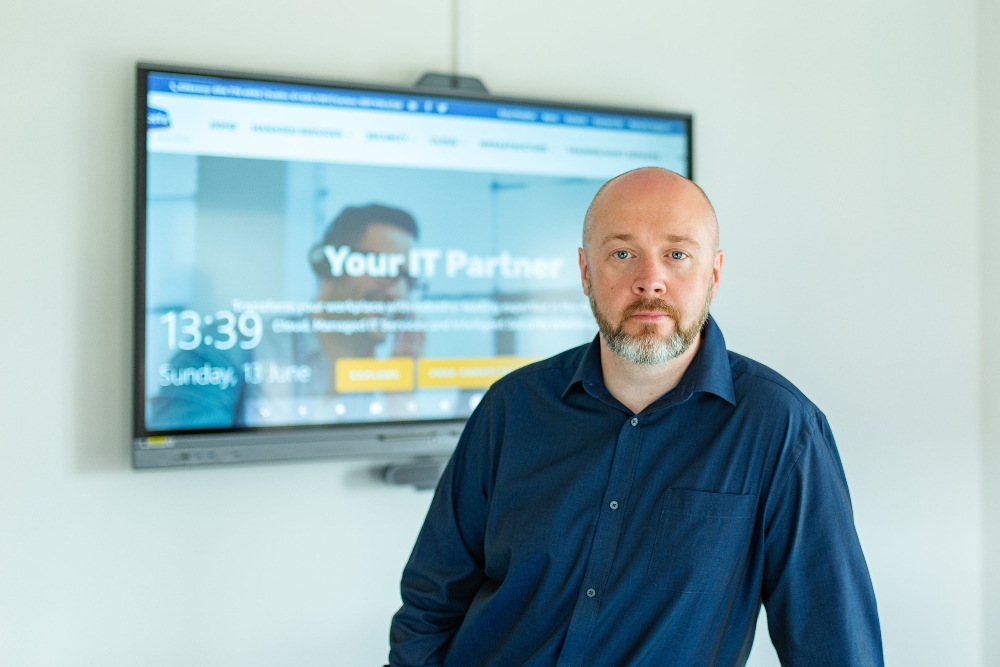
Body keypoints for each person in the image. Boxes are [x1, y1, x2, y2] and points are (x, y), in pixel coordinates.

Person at [388, 167, 883, 666]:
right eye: (622, 254)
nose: (650, 281)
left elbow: (834, 643)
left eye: (677, 255)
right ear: (586, 272)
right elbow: (430, 606)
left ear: (713, 273)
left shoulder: (780, 428)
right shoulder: (511, 409)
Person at [149, 203, 424, 429]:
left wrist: (398, 396)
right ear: (327, 264)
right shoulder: (231, 342)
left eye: (409, 281)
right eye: (385, 269)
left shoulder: (381, 378)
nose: (398, 294)